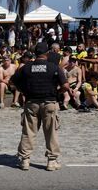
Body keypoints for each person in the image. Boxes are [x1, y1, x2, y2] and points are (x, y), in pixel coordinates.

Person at [12, 43, 69, 172]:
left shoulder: (26, 67)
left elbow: (13, 81)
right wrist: (57, 92)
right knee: (51, 132)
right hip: (49, 102)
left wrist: (24, 91)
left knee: (28, 132)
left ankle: (25, 160)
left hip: (32, 102)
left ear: (34, 53)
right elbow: (65, 86)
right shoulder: (53, 67)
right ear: (47, 53)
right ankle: (51, 161)